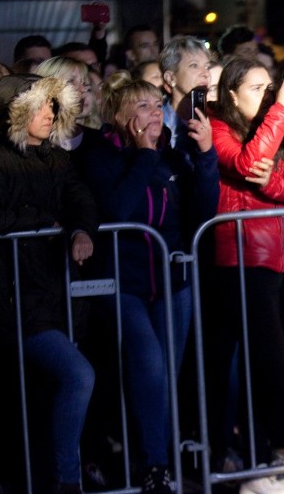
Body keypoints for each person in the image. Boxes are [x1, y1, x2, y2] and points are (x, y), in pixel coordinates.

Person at [79, 71, 219, 493]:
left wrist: (207, 155)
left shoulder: (172, 154)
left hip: (172, 278)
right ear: (119, 115)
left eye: (157, 105)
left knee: (165, 378)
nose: (154, 113)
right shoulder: (99, 156)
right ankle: (155, 465)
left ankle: (152, 456)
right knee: (147, 362)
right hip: (123, 280)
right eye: (142, 106)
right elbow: (116, 209)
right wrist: (142, 155)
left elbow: (203, 208)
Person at [0, 74, 98, 493]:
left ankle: (56, 476)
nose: (50, 114)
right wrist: (45, 223)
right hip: (16, 298)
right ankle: (66, 481)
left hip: (54, 293)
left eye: (52, 106)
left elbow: (81, 196)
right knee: (78, 375)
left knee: (55, 389)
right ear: (17, 112)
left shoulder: (56, 158)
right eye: (40, 107)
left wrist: (81, 229)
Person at [207, 57, 284, 494]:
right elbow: (248, 162)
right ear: (232, 94)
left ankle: (263, 457)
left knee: (260, 365)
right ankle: (274, 453)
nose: (270, 94)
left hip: (277, 260)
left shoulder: (281, 125)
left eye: (270, 86)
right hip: (237, 260)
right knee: (260, 366)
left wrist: (275, 186)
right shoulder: (218, 127)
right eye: (257, 88)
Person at [159, 35, 214, 147]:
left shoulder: (215, 117)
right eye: (194, 65)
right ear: (170, 78)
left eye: (207, 67)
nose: (205, 73)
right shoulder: (156, 121)